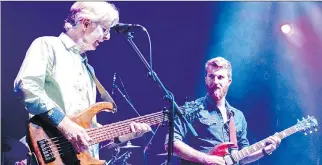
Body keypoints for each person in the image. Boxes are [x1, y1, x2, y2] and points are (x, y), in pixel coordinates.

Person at [14, 1, 151, 163]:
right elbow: (27, 86)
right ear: (85, 23)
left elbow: (85, 133)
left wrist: (123, 135)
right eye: (105, 29)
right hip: (47, 152)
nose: (107, 37)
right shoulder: (48, 45)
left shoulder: (89, 69)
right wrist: (64, 124)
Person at [165, 57, 281, 165]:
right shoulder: (192, 108)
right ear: (206, 79)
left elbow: (241, 157)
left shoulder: (238, 116)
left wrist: (264, 151)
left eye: (220, 77)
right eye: (211, 76)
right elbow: (171, 143)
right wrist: (206, 159)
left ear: (229, 81)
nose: (215, 82)